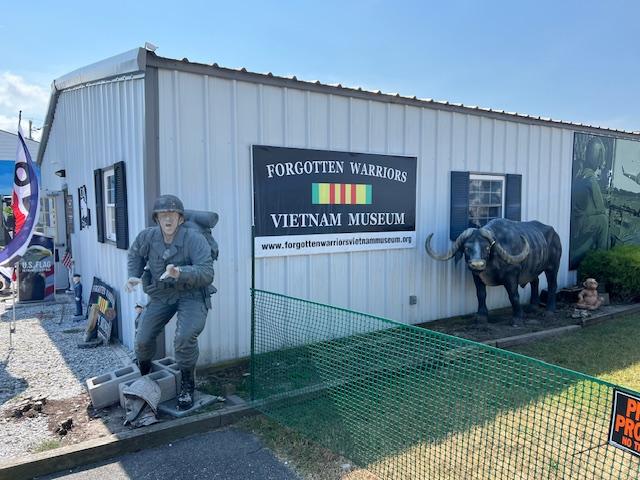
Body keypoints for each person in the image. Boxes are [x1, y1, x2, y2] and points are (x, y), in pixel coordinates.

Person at [125, 194, 214, 410]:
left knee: (184, 338)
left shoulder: (194, 239)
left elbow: (207, 272)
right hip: (161, 294)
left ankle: (187, 385)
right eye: (163, 214)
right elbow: (135, 254)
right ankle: (144, 376)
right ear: (156, 218)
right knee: (142, 339)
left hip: (191, 294)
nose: (167, 219)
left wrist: (180, 272)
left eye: (172, 214)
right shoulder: (147, 237)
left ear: (180, 218)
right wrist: (134, 275)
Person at [570, 136, 609, 268]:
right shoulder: (591, 180)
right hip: (580, 224)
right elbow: (601, 209)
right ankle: (602, 258)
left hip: (576, 220)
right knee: (604, 220)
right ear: (598, 158)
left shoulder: (580, 172)